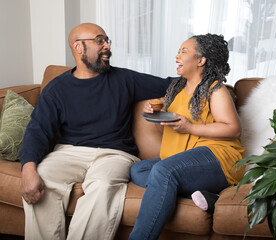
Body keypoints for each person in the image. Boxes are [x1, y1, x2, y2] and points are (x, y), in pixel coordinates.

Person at [19, 23, 172, 240]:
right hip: (69, 152)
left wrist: (210, 85)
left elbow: (170, 85)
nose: (107, 46)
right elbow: (37, 130)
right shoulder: (57, 88)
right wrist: (28, 169)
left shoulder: (124, 79)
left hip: (115, 154)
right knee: (42, 179)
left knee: (102, 186)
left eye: (107, 40)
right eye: (100, 40)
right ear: (78, 47)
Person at [128, 33, 246, 240]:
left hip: (219, 157)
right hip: (187, 159)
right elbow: (174, 113)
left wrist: (190, 128)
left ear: (201, 60)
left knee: (163, 172)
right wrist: (154, 109)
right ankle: (210, 196)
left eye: (184, 51)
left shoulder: (215, 90)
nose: (177, 56)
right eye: (178, 51)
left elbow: (233, 128)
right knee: (138, 169)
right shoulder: (177, 88)